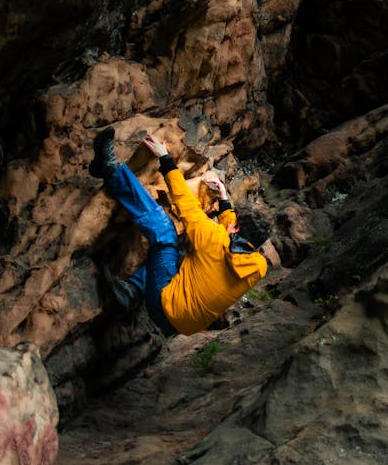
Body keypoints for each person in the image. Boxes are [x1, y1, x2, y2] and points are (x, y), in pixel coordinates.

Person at [88, 128, 268, 336]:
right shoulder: (257, 267)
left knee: (165, 234)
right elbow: (232, 236)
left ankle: (110, 169)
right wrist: (223, 197)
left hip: (164, 305)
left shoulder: (212, 239)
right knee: (185, 256)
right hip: (179, 326)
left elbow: (185, 202)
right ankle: (133, 290)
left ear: (235, 230)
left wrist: (165, 158)